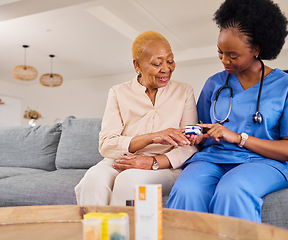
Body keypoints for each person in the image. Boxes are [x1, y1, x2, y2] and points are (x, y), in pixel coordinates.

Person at [167, 0, 288, 222]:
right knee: (187, 190)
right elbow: (204, 130)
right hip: (212, 160)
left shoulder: (287, 86)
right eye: (220, 52)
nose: (224, 60)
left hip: (262, 163)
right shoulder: (214, 84)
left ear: (257, 49)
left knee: (232, 190)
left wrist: (238, 138)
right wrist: (196, 135)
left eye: (233, 55)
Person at [75, 31, 198, 206]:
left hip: (164, 166)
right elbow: (106, 145)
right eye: (157, 63)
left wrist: (152, 162)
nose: (166, 69)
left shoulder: (184, 91)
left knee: (128, 181)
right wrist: (151, 137)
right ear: (137, 65)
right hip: (122, 159)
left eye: (170, 61)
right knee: (92, 182)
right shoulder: (118, 92)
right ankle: (95, 233)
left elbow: (191, 145)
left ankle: (122, 234)